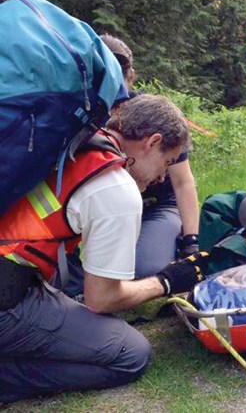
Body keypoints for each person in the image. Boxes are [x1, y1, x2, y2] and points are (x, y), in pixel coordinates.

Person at [0, 94, 207, 403]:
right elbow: (101, 298)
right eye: (165, 163)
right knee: (131, 353)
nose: (163, 177)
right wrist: (166, 281)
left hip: (16, 275)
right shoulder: (116, 188)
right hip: (8, 296)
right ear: (152, 141)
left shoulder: (76, 140)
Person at [101, 34, 201, 278]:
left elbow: (183, 181)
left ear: (130, 77)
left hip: (156, 204)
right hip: (109, 206)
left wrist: (192, 242)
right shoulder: (80, 112)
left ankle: (173, 245)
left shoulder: (155, 115)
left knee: (145, 269)